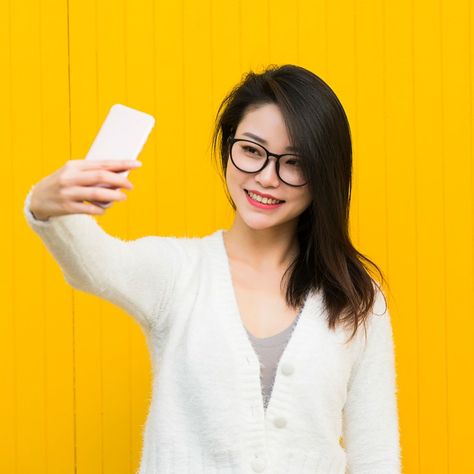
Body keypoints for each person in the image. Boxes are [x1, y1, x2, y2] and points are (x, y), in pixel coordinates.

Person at [24, 64, 401, 473]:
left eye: (293, 162)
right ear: (228, 148)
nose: (266, 178)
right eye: (252, 151)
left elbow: (375, 456)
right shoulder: (177, 272)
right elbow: (92, 266)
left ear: (323, 175)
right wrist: (47, 206)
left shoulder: (356, 298)